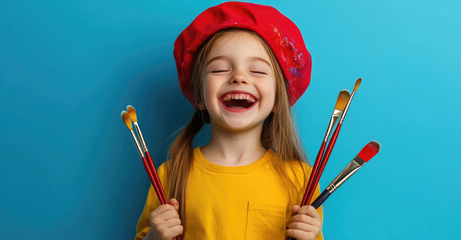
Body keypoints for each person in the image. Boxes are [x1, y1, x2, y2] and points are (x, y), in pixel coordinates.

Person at [135, 2, 323, 240]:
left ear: (278, 100)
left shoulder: (301, 180)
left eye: (257, 70)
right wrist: (154, 237)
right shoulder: (168, 175)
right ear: (199, 94)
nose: (239, 77)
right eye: (220, 69)